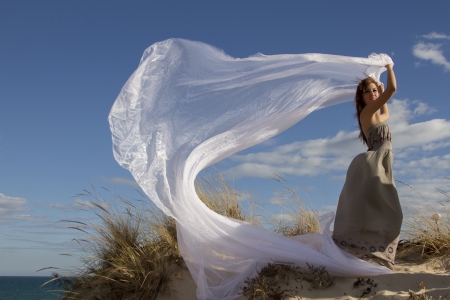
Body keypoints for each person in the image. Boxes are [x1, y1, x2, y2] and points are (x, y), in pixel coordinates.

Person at [332, 64, 403, 270]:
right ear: (360, 97)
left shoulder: (375, 114)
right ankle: (361, 251)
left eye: (374, 91)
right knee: (390, 211)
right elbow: (393, 90)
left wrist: (379, 90)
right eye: (367, 92)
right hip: (373, 164)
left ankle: (369, 254)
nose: (372, 94)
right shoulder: (367, 111)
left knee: (380, 210)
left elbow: (386, 113)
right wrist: (389, 68)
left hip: (379, 162)